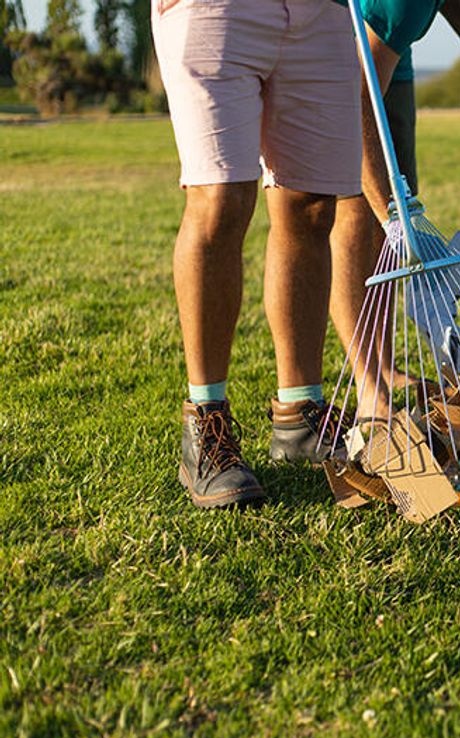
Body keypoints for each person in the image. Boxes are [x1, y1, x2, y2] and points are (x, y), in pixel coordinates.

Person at [153, 0, 363, 507]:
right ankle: (206, 420)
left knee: (311, 206)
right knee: (219, 199)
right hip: (217, 9)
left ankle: (299, 416)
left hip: (321, 13)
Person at [327, 0, 460, 419]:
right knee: (357, 211)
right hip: (331, 50)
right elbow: (354, 100)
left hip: (390, 50)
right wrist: (389, 214)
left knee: (393, 200)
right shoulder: (403, 5)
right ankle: (368, 385)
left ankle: (385, 366)